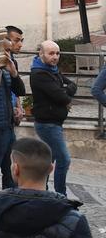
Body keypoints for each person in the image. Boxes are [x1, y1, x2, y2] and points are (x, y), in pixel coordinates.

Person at [29, 40, 76, 197]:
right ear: (41, 54)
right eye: (51, 53)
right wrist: (66, 96)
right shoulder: (40, 74)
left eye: (57, 53)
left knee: (48, 159)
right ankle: (60, 195)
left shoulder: (52, 70)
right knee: (64, 159)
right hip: (47, 124)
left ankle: (41, 191)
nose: (55, 57)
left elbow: (71, 85)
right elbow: (60, 97)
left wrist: (65, 92)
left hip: (55, 122)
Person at [0, 26, 26, 191]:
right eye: (16, 41)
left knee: (12, 173)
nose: (19, 45)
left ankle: (10, 204)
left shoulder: (10, 62)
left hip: (8, 125)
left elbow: (19, 91)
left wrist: (14, 73)